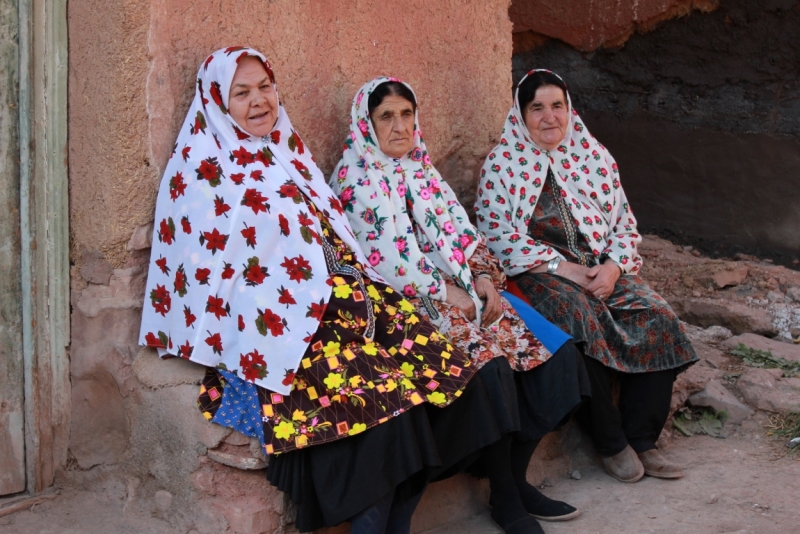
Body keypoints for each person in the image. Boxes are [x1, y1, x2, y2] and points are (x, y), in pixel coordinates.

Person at [139, 47, 503, 534]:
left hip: (348, 306)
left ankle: (398, 522)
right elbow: (212, 279)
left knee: (448, 376)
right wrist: (308, 307)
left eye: (265, 87)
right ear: (218, 101)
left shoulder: (287, 150)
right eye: (241, 93)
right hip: (284, 332)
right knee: (384, 405)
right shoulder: (202, 170)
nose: (259, 101)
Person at [330, 77, 591, 534]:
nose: (399, 126)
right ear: (365, 124)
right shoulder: (355, 181)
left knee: (559, 357)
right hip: (409, 306)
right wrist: (451, 293)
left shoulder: (422, 169)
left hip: (466, 294)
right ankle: (507, 500)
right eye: (386, 116)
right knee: (490, 368)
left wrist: (485, 277)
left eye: (406, 114)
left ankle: (513, 477)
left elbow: (463, 232)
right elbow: (387, 264)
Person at [475, 69, 698, 484]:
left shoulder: (594, 156)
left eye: (557, 106)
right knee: (578, 321)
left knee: (658, 316)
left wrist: (613, 266)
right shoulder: (501, 165)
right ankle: (611, 442)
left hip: (602, 266)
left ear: (569, 109)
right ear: (520, 114)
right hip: (541, 273)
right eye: (536, 107)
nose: (549, 117)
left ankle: (643, 437)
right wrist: (563, 268)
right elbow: (495, 237)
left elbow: (625, 226)